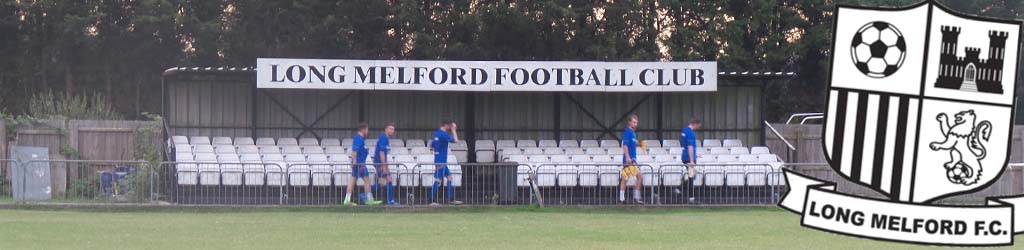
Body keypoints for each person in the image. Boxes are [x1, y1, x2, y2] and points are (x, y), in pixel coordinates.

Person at [343, 122, 382, 206]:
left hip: (358, 164)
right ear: (363, 129)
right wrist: (354, 162)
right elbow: (354, 152)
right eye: (367, 129)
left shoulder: (360, 138)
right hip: (359, 164)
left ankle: (347, 200)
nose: (367, 131)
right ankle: (370, 200)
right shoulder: (358, 139)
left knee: (352, 180)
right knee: (367, 180)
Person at [430, 119, 462, 205]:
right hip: (441, 161)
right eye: (450, 125)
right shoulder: (443, 134)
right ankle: (431, 200)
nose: (450, 127)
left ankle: (451, 199)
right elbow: (456, 140)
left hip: (440, 160)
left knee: (449, 177)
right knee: (438, 180)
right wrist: (454, 130)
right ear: (446, 125)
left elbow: (432, 146)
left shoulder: (437, 133)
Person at [619, 114, 644, 204]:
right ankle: (631, 198)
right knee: (632, 177)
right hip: (628, 160)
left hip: (633, 159)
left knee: (628, 178)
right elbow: (625, 145)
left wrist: (640, 144)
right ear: (629, 122)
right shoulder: (627, 132)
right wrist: (627, 157)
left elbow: (633, 142)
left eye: (636, 122)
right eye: (634, 122)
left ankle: (625, 198)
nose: (635, 124)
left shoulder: (633, 133)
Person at [373, 122, 397, 205]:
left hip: (381, 163)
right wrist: (384, 167)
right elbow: (381, 153)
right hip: (379, 164)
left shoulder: (385, 139)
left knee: (382, 183)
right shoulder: (383, 138)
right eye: (390, 129)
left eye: (393, 129)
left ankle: (364, 193)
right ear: (386, 129)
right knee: (389, 179)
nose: (392, 131)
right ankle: (390, 201)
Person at [680, 118, 702, 204]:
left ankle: (684, 192)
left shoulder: (684, 131)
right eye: (698, 126)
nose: (697, 128)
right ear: (695, 124)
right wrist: (692, 160)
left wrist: (696, 155)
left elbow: (684, 145)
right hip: (689, 159)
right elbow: (689, 146)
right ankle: (690, 197)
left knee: (692, 176)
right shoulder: (690, 133)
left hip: (685, 157)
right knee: (691, 177)